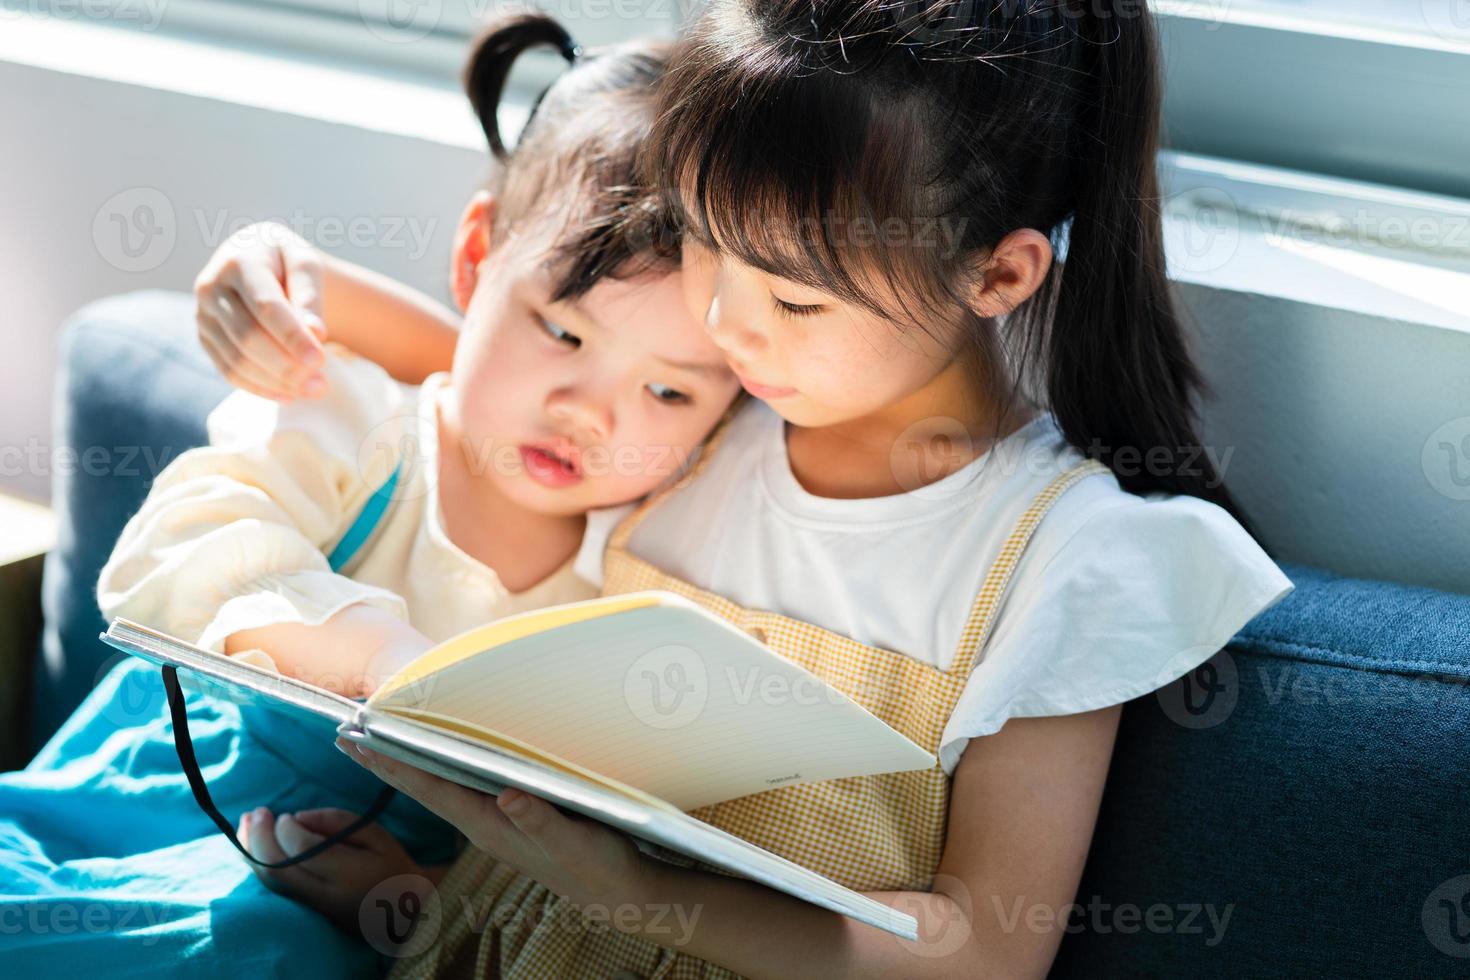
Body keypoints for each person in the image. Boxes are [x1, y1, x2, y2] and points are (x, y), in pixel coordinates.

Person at [200, 4, 1298, 977]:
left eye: (797, 299)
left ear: (997, 274)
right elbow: (509, 378)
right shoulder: (704, 420)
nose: (727, 322)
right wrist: (289, 277)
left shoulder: (1065, 556)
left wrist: (636, 897)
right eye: (706, 247)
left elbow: (984, 948)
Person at [0, 16, 737, 977]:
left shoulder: (645, 568)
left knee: (276, 951)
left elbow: (563, 847)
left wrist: (411, 901)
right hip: (153, 809)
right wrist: (375, 655)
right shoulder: (363, 424)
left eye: (670, 391)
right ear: (477, 262)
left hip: (356, 898)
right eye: (562, 336)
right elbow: (172, 555)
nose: (589, 413)